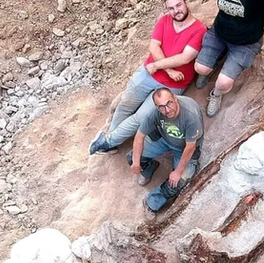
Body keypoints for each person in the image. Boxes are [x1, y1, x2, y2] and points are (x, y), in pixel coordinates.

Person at [89, 0, 207, 155]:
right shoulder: (164, 20)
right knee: (125, 104)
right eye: (171, 8)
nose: (176, 11)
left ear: (186, 3)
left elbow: (185, 58)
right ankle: (112, 139)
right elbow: (153, 46)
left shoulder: (199, 29)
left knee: (142, 117)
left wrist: (158, 66)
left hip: (171, 84)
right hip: (150, 72)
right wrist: (169, 70)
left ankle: (109, 141)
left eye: (179, 5)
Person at [193, 0, 264, 117]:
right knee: (200, 68)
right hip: (219, 32)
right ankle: (211, 66)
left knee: (223, 83)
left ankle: (217, 94)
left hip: (246, 42)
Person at [127, 88, 203, 213]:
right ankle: (149, 169)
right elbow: (139, 136)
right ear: (157, 107)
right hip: (164, 139)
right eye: (161, 107)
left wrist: (178, 172)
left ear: (175, 98)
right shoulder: (156, 113)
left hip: (184, 148)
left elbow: (190, 147)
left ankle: (152, 202)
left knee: (177, 182)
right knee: (133, 157)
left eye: (169, 103)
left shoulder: (190, 116)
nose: (167, 110)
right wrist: (136, 163)